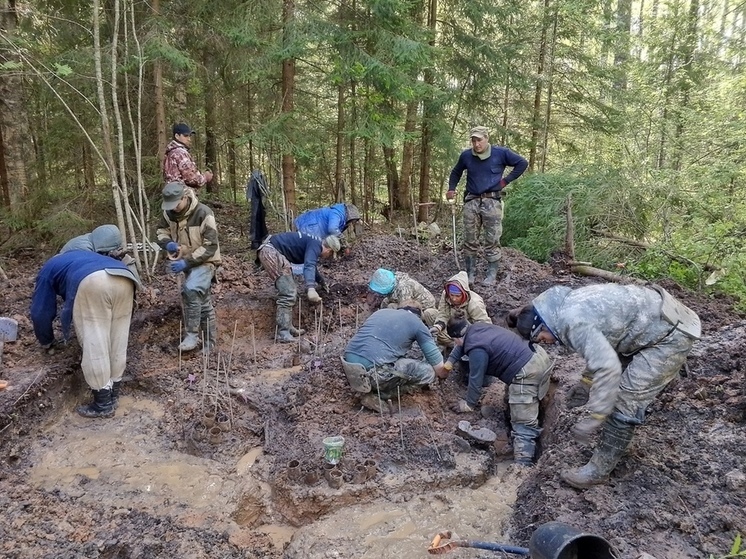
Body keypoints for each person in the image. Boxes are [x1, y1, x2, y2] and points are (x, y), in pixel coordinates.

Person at [509, 283, 701, 488]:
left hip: (669, 335)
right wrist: (586, 383)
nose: (545, 342)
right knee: (622, 386)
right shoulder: (565, 307)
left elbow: (609, 368)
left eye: (540, 338)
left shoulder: (571, 323)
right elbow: (603, 339)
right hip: (655, 317)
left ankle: (598, 471)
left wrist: (596, 417)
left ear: (542, 324)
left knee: (625, 400)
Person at [30, 251, 140, 418]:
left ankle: (103, 404)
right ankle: (114, 394)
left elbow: (40, 312)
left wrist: (46, 341)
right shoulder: (84, 256)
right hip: (125, 278)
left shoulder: (48, 268)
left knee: (95, 340)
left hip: (93, 282)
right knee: (118, 337)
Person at [440, 318, 553, 465]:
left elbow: (476, 378)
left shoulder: (476, 350)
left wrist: (468, 404)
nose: (455, 344)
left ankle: (522, 464)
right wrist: (449, 364)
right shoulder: (476, 328)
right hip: (536, 354)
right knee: (511, 399)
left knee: (523, 419)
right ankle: (510, 429)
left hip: (527, 369)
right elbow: (460, 346)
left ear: (458, 337)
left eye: (455, 340)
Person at [447, 126, 528, 285]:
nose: (477, 144)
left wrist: (505, 181)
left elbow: (522, 163)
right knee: (470, 239)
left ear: (487, 139)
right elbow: (456, 172)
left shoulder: (501, 153)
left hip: (492, 201)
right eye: (474, 140)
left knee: (492, 238)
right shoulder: (466, 156)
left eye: (479, 140)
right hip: (471, 200)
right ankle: (470, 273)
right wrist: (451, 189)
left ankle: (491, 275)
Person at [342, 303, 444, 412]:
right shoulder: (416, 323)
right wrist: (445, 372)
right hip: (373, 376)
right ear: (419, 315)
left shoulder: (381, 312)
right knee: (428, 373)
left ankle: (370, 388)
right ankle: (380, 394)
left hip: (350, 368)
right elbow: (439, 368)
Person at [156, 181, 221, 352]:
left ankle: (192, 335)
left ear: (184, 197)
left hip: (206, 261)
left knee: (191, 290)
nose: (174, 208)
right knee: (203, 303)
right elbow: (161, 232)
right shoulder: (168, 213)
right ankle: (210, 345)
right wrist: (168, 243)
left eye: (177, 204)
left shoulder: (204, 213)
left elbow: (210, 246)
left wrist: (187, 262)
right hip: (186, 261)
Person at [257, 231, 339, 342]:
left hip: (272, 250)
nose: (327, 257)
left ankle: (288, 327)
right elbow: (309, 265)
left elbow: (311, 266)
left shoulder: (314, 242)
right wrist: (311, 288)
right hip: (271, 252)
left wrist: (321, 281)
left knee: (290, 290)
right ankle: (283, 333)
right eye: (329, 254)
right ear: (329, 250)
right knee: (288, 293)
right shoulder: (316, 245)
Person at [428, 271, 491, 351]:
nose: (454, 299)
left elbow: (485, 326)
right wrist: (438, 327)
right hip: (450, 325)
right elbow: (443, 314)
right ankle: (448, 344)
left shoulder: (475, 303)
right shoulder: (446, 295)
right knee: (429, 313)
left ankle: (459, 347)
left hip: (466, 332)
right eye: (452, 295)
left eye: (458, 296)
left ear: (464, 293)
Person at [367, 268, 437, 325]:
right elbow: (386, 302)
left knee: (428, 314)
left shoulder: (403, 287)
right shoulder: (394, 284)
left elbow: (407, 311)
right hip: (410, 305)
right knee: (391, 306)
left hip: (424, 308)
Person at [163, 122, 213, 189]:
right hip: (181, 194)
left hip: (172, 193)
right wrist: (205, 177)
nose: (189, 139)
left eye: (189, 136)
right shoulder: (180, 153)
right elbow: (190, 178)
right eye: (186, 136)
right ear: (177, 136)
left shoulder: (171, 152)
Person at [294, 203, 361, 241]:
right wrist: (343, 241)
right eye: (352, 221)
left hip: (313, 228)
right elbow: (332, 229)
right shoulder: (336, 213)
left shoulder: (341, 217)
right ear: (349, 216)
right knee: (305, 251)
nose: (351, 223)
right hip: (308, 226)